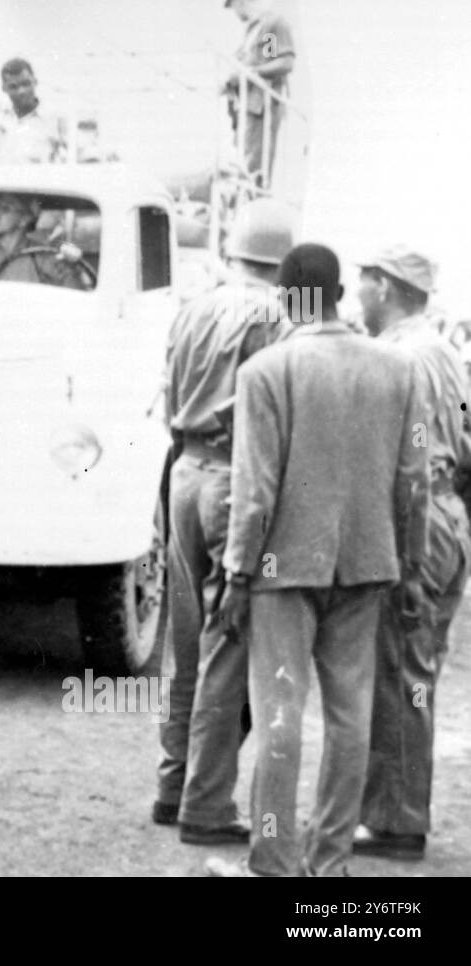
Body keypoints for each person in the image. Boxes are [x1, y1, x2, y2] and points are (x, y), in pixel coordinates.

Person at [205, 243, 430, 877]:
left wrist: (235, 574)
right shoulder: (398, 372)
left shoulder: (266, 373)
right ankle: (329, 862)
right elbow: (414, 478)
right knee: (350, 717)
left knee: (279, 714)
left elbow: (256, 490)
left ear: (288, 296)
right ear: (335, 292)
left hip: (281, 568)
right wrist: (409, 570)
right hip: (366, 565)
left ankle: (273, 858)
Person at [155, 198, 295, 841]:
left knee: (185, 646)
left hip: (182, 471)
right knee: (226, 648)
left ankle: (172, 783)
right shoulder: (276, 316)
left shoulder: (194, 306)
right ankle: (206, 805)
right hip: (231, 480)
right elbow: (274, 420)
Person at [354, 246, 471, 861]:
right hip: (447, 518)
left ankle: (397, 823)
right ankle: (393, 811)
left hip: (418, 521)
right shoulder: (445, 352)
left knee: (401, 673)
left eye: (364, 283)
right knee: (415, 669)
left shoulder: (404, 357)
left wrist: (411, 551)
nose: (356, 296)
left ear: (387, 287)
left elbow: (415, 466)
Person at [223, 0, 296, 187]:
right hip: (245, 108)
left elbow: (282, 62)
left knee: (253, 167)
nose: (235, 14)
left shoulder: (271, 25)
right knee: (241, 163)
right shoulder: (254, 30)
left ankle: (253, 202)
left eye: (233, 8)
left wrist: (251, 74)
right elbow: (266, 60)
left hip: (260, 108)